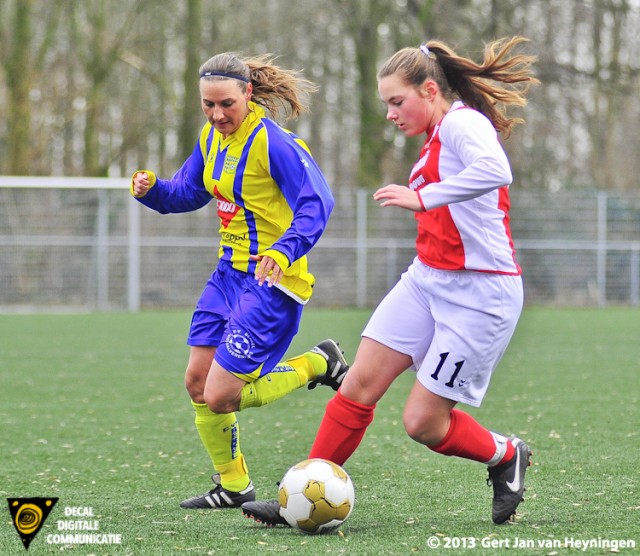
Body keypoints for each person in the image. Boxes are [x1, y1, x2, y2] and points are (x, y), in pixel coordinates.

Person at [241, 36, 539, 526]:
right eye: (386, 104)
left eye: (396, 102)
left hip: (481, 294)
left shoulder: (462, 121)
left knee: (422, 423)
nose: (390, 114)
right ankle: (303, 491)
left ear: (428, 90)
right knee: (357, 384)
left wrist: (425, 199)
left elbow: (496, 169)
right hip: (426, 281)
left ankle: (504, 454)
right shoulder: (435, 139)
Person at [130, 52, 349, 510]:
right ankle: (234, 486)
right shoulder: (211, 138)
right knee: (197, 383)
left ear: (248, 94)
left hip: (273, 281)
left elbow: (318, 203)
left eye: (226, 104)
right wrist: (153, 192)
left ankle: (317, 362)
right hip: (228, 276)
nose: (216, 114)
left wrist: (282, 250)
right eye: (207, 105)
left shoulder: (275, 144)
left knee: (221, 394)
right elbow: (186, 193)